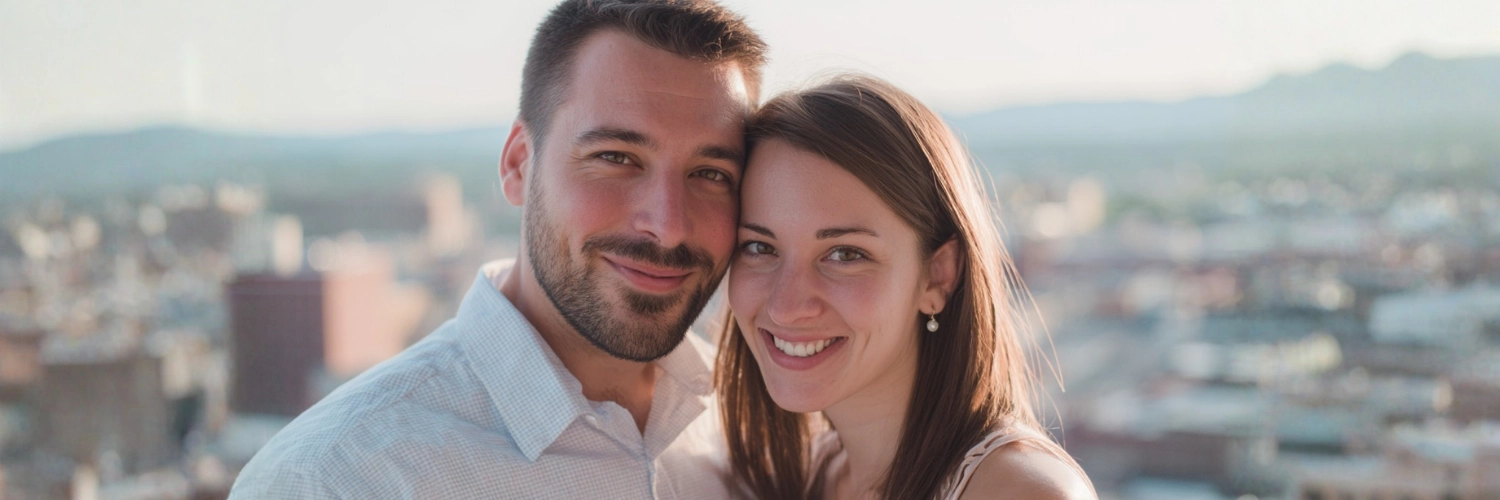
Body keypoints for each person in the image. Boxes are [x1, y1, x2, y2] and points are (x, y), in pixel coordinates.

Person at [229, 0, 765, 498]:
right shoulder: (335, 479)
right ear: (517, 165)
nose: (668, 226)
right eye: (617, 158)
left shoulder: (759, 426)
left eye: (711, 173)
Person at [716, 75, 1097, 499]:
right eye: (758, 246)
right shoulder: (812, 478)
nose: (787, 306)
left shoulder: (1017, 491)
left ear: (937, 275)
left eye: (845, 255)